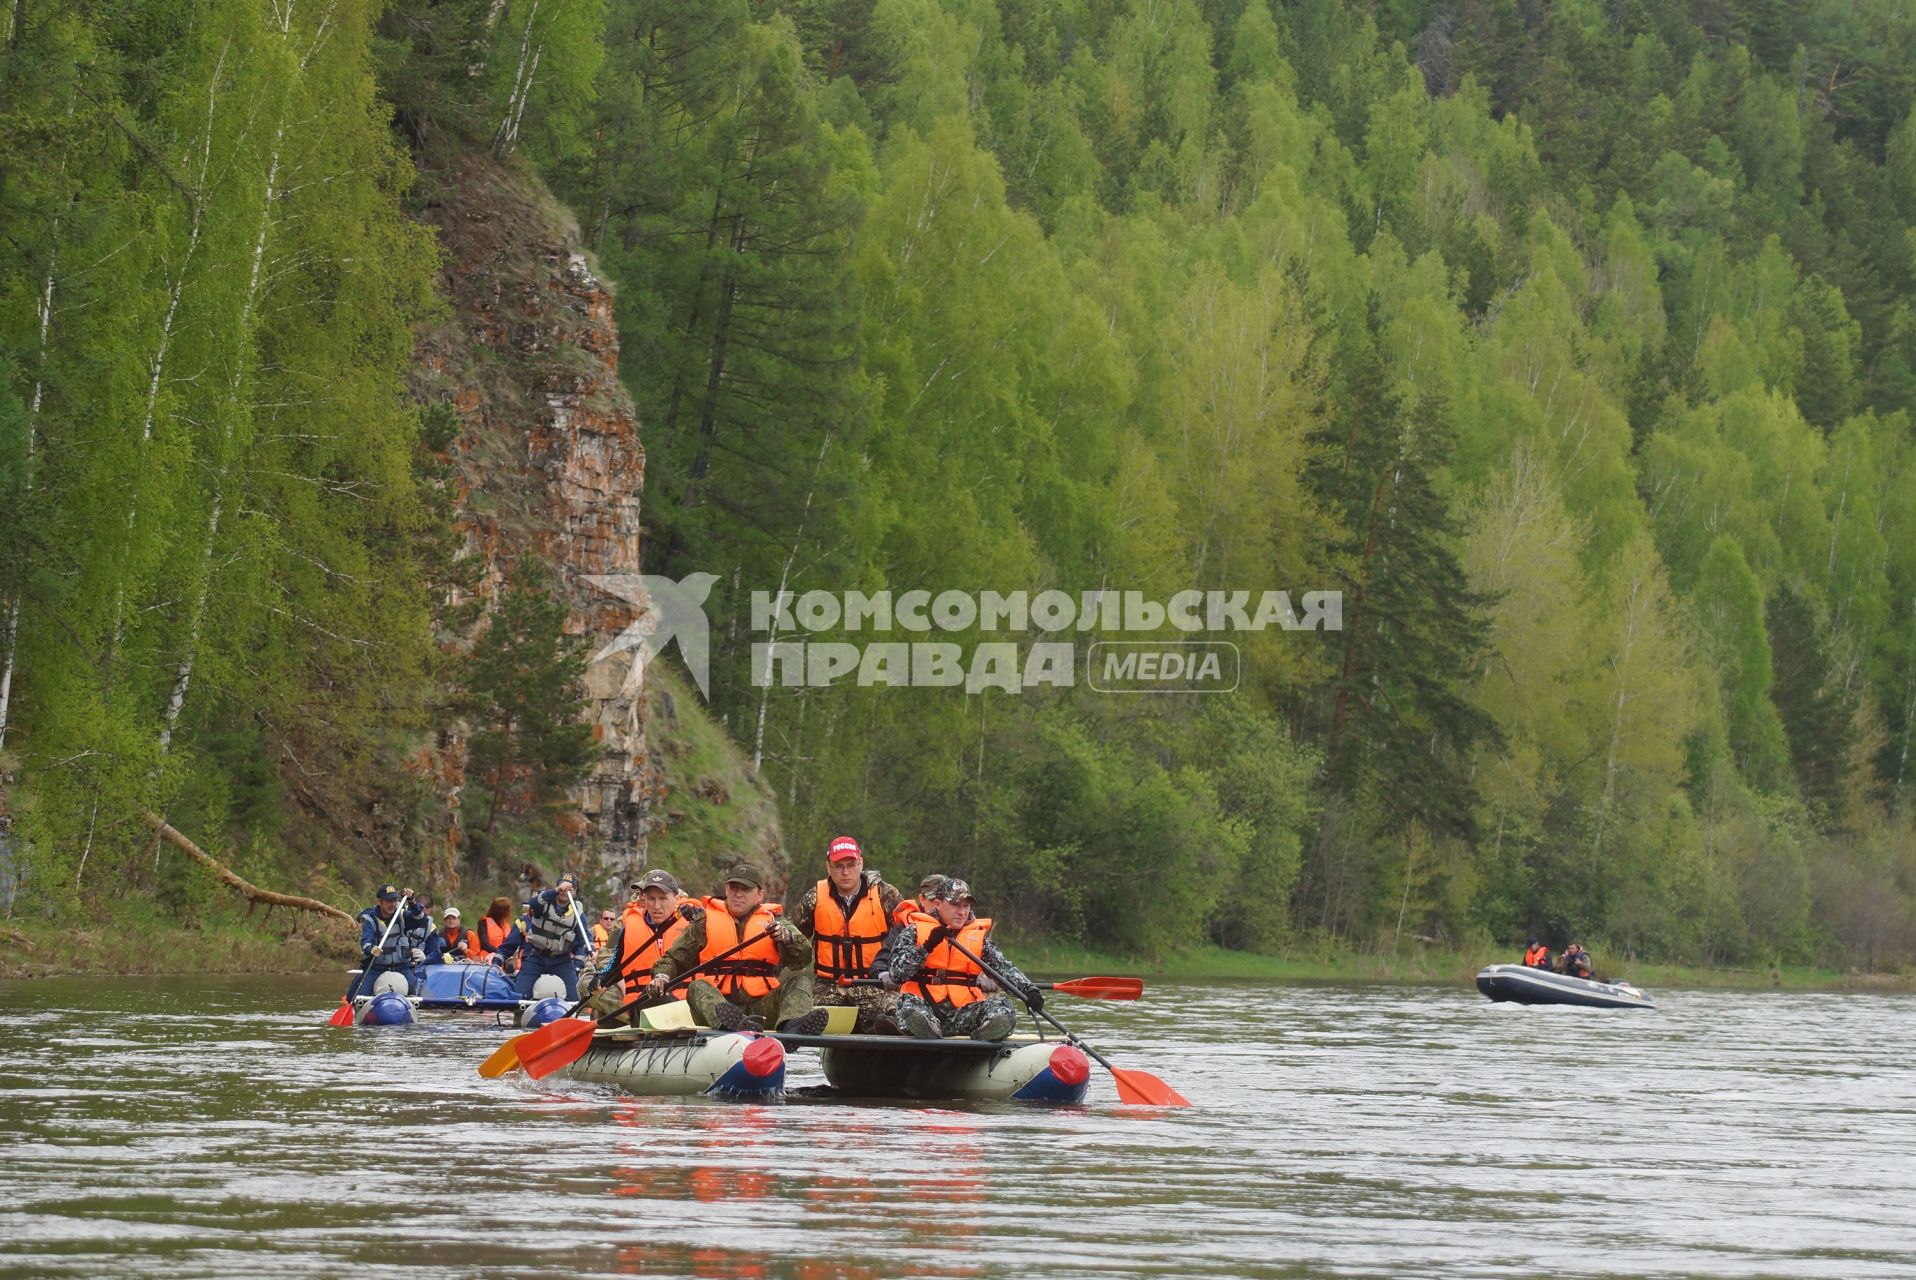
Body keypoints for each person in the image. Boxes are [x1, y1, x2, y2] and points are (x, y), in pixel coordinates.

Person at [643, 867, 828, 1036]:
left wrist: (787, 939)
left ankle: (791, 1028)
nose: (738, 894)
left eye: (745, 889)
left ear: (759, 894)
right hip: (719, 1006)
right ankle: (733, 1026)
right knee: (696, 987)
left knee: (800, 981)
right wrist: (661, 976)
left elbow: (802, 958)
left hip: (761, 1009)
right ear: (726, 891)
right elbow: (673, 959)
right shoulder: (704, 923)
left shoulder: (775, 922)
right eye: (733, 888)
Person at [880, 878, 1034, 1042]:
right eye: (955, 905)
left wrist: (1028, 990)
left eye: (966, 906)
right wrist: (927, 946)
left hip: (963, 1013)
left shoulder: (978, 938)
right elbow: (897, 973)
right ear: (938, 904)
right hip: (926, 1008)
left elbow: (1004, 968)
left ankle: (986, 1033)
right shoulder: (914, 932)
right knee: (907, 1003)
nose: (961, 912)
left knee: (1002, 1005)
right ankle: (927, 1030)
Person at [789, 835, 903, 1033]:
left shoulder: (885, 894)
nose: (845, 872)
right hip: (829, 986)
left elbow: (909, 933)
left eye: (851, 864)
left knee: (889, 1016)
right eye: (838, 866)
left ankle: (888, 1036)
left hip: (875, 983)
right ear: (828, 867)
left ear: (861, 864)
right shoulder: (815, 896)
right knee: (813, 1017)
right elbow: (792, 934)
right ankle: (796, 1027)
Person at [583, 870, 704, 1018]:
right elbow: (614, 968)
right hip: (641, 1008)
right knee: (587, 985)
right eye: (651, 899)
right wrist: (602, 978)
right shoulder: (628, 929)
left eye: (663, 898)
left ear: (676, 898)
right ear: (644, 899)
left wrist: (699, 920)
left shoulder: (693, 921)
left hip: (686, 1007)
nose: (656, 906)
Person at [488, 872, 595, 1000]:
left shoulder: (578, 913)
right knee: (519, 996)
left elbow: (585, 938)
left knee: (575, 997)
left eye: (570, 889)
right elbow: (533, 903)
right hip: (536, 957)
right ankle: (519, 1015)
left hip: (561, 961)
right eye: (562, 887)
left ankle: (568, 1016)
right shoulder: (544, 902)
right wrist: (556, 891)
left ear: (575, 892)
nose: (565, 891)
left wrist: (590, 953)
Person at [354, 883, 429, 995]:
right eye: (389, 901)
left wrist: (412, 901)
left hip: (401, 967)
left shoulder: (402, 915)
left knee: (416, 989)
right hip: (377, 967)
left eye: (394, 900)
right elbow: (366, 942)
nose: (393, 904)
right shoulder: (370, 920)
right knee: (356, 993)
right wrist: (371, 949)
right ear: (380, 902)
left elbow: (420, 919)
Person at [476, 897, 514, 971]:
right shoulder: (483, 923)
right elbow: (484, 944)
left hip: (504, 958)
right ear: (503, 912)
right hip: (488, 959)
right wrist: (500, 953)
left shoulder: (505, 924)